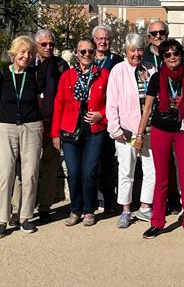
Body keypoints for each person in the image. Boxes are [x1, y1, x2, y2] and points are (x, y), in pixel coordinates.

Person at [136, 39, 184, 241]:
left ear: (181, 55)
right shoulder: (156, 78)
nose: (172, 57)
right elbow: (147, 108)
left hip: (183, 129)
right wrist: (139, 135)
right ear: (162, 58)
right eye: (167, 55)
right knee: (161, 178)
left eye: (175, 53)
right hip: (160, 128)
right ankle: (157, 221)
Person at [0, 35, 44, 238]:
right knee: (5, 173)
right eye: (22, 52)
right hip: (5, 127)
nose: (26, 56)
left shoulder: (36, 75)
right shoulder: (1, 74)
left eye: (30, 53)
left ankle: (25, 216)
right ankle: (2, 218)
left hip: (31, 126)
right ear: (13, 53)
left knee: (29, 173)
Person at [51, 38, 111, 227]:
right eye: (82, 52)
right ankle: (75, 208)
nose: (86, 55)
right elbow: (58, 103)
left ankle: (88, 210)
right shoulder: (67, 76)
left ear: (95, 54)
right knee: (74, 173)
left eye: (90, 52)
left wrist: (101, 115)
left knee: (90, 172)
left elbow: (113, 102)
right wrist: (55, 133)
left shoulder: (104, 74)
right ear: (76, 54)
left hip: (95, 129)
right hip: (70, 129)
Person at [105, 33, 156, 228]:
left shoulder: (151, 68)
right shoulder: (118, 71)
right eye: (132, 50)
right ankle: (126, 210)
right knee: (126, 171)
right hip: (126, 131)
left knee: (152, 170)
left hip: (150, 130)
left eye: (140, 49)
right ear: (126, 51)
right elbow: (112, 103)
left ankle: (144, 206)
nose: (136, 53)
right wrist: (115, 128)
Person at [34, 29, 69, 223]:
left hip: (53, 123)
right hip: (31, 122)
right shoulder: (28, 62)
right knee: (27, 166)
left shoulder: (61, 65)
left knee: (50, 165)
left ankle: (45, 206)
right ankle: (21, 207)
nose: (48, 48)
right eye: (44, 44)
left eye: (51, 44)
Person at [92, 25, 124, 215]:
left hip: (111, 117)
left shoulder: (117, 61)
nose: (103, 41)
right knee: (92, 161)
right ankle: (95, 198)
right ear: (94, 40)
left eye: (106, 38)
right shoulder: (88, 59)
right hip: (91, 119)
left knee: (109, 161)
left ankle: (109, 199)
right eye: (99, 38)